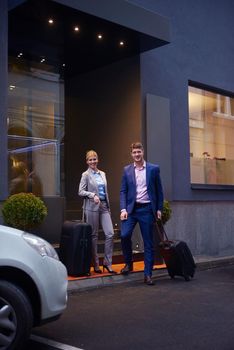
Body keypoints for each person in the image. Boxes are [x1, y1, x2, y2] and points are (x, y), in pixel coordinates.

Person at [120, 142, 164, 285]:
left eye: (139, 152)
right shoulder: (127, 170)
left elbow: (159, 191)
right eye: (134, 152)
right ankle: (128, 263)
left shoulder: (153, 169)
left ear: (142, 152)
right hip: (132, 210)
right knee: (124, 235)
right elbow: (123, 191)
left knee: (148, 243)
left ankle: (148, 274)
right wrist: (123, 209)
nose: (137, 154)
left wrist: (158, 209)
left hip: (146, 210)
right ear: (131, 154)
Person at [78, 150, 116, 274]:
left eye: (94, 159)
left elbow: (105, 192)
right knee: (93, 236)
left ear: (97, 160)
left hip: (104, 206)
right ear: (87, 162)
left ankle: (107, 263)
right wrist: (92, 194)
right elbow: (80, 191)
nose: (93, 161)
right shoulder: (85, 175)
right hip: (91, 207)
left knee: (110, 234)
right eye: (90, 160)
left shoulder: (103, 174)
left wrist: (108, 206)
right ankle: (96, 264)